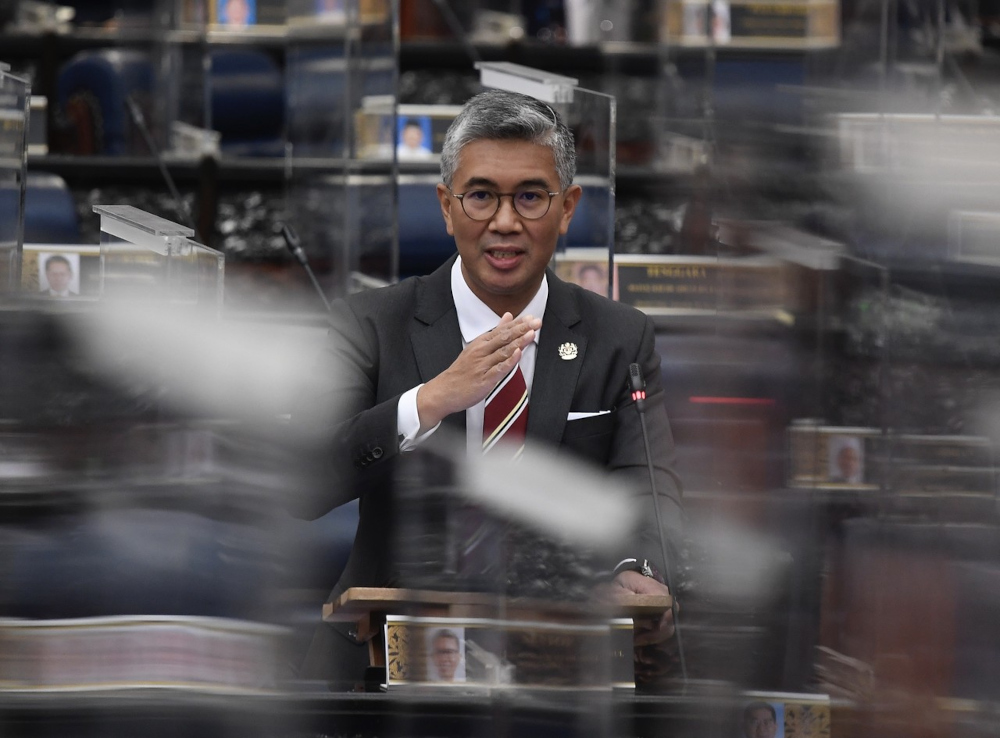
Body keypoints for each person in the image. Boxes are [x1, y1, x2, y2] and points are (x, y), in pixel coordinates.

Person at [297, 89, 683, 686]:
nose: (505, 222)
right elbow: (306, 480)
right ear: (447, 207)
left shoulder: (619, 338)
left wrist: (641, 566)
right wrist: (432, 400)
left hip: (561, 649)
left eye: (530, 196)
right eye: (481, 196)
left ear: (568, 207)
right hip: (388, 644)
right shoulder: (371, 324)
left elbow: (648, 480)